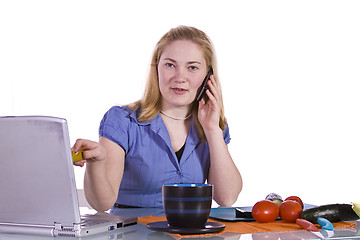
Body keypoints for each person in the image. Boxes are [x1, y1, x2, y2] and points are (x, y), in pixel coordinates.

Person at [72, 25, 242, 212]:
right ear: (157, 69)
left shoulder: (214, 126)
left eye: (192, 67)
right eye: (170, 65)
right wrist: (97, 163)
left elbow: (227, 198)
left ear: (208, 76)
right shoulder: (122, 120)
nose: (180, 77)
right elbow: (101, 204)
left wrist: (212, 130)